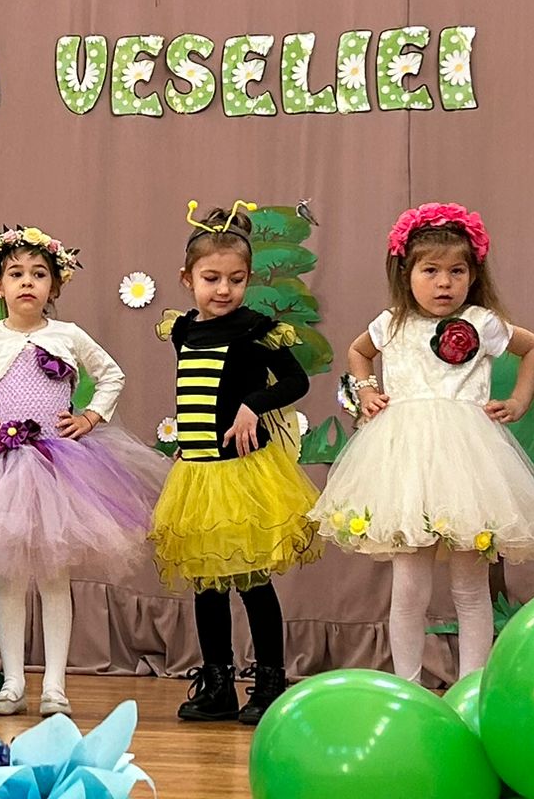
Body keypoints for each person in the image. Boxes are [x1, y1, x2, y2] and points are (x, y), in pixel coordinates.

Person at [0, 226, 166, 717]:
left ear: (54, 285)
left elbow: (112, 375)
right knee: (10, 581)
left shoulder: (68, 335)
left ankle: (56, 687)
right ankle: (13, 684)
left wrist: (90, 417)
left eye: (39, 274)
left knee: (55, 579)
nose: (27, 282)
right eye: (15, 274)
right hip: (1, 469)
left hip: (60, 466)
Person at [314, 202, 534, 685]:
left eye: (456, 271)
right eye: (430, 271)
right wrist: (365, 390)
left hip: (467, 462)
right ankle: (406, 684)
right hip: (406, 464)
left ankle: (473, 685)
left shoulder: (482, 322)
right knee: (409, 586)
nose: (444, 283)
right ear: (406, 273)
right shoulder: (392, 323)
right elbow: (358, 352)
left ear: (473, 275)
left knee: (471, 585)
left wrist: (519, 400)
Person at [148, 203, 320, 724]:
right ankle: (217, 683)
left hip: (243, 476)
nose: (223, 290)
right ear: (187, 279)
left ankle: (269, 682)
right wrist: (190, 438)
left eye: (236, 279)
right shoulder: (183, 331)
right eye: (211, 279)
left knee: (252, 581)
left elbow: (296, 381)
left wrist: (253, 405)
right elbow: (195, 394)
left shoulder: (256, 329)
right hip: (198, 474)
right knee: (207, 584)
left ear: (248, 278)